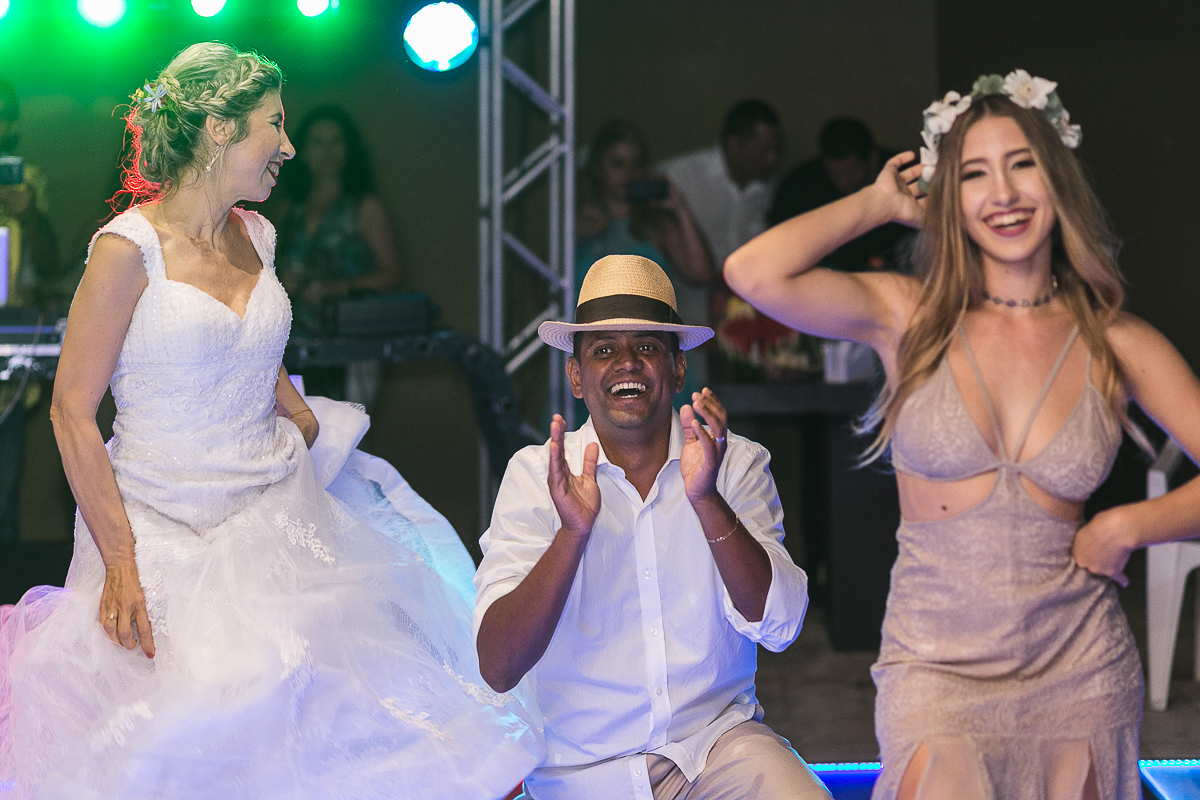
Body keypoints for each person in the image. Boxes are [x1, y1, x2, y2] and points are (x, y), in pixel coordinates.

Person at [0, 42, 542, 799]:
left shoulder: (258, 236)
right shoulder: (127, 251)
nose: (288, 146)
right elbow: (69, 413)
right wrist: (121, 563)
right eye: (274, 125)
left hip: (274, 511)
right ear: (220, 129)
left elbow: (250, 344)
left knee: (328, 723)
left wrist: (288, 403)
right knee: (191, 734)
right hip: (157, 528)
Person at [726, 71, 1200, 799]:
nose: (1002, 194)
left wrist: (1131, 525)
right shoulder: (907, 315)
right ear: (950, 196)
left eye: (1023, 165)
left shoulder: (1116, 341)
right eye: (974, 173)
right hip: (935, 667)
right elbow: (751, 271)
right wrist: (878, 203)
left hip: (1081, 667)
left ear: (1058, 179)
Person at [474, 254, 831, 800]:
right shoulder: (534, 475)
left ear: (678, 368)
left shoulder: (734, 463)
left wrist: (707, 500)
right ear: (576, 376)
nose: (628, 363)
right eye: (603, 350)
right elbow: (498, 667)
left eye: (647, 347)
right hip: (582, 775)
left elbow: (781, 625)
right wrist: (572, 534)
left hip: (716, 750)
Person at [575, 119, 713, 412]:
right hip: (593, 365)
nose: (628, 174)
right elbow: (543, 298)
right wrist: (567, 238)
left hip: (649, 363)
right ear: (597, 169)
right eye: (617, 163)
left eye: (635, 164)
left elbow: (701, 272)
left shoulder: (657, 226)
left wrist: (680, 208)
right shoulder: (575, 226)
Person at [274, 105, 401, 405]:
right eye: (318, 142)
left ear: (349, 149)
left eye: (336, 141)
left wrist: (331, 289)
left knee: (349, 433)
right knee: (297, 432)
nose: (327, 151)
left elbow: (392, 273)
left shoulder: (364, 207)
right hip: (294, 343)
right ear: (301, 150)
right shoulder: (288, 210)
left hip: (352, 344)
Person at [660, 99, 784, 387]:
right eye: (764, 150)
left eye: (776, 150)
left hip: (744, 337)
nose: (772, 159)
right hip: (684, 331)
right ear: (734, 143)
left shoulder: (770, 190)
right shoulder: (679, 177)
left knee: (738, 426)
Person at [0, 76, 59, 543]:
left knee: (4, 486)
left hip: (9, 344)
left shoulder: (26, 176)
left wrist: (27, 213)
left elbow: (49, 260)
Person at [768, 117, 911, 272]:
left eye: (850, 173)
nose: (842, 183)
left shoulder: (904, 176)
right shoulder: (800, 184)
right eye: (834, 174)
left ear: (872, 158)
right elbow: (782, 241)